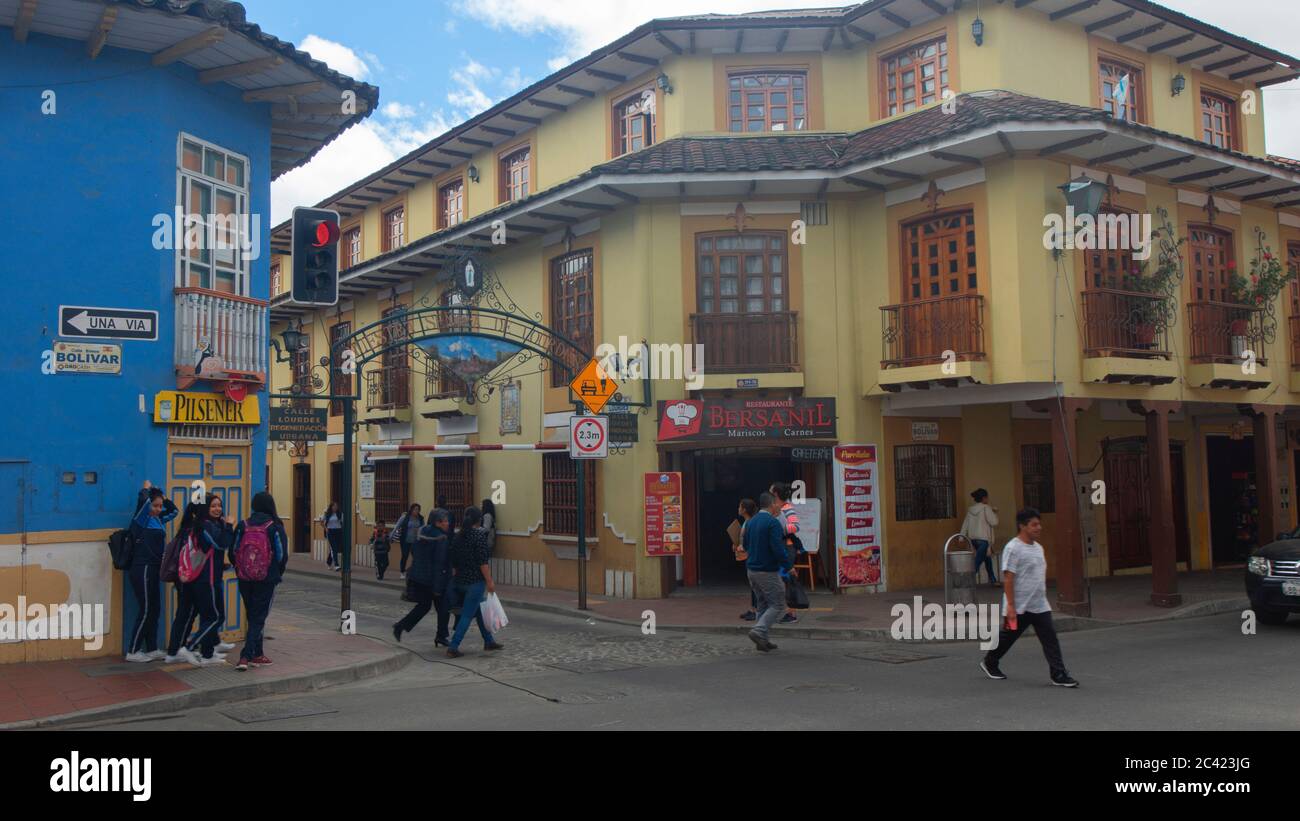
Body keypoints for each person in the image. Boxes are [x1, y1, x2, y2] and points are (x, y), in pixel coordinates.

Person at [981, 508, 1079, 688]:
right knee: (1008, 637)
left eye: (1039, 524)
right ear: (1022, 526)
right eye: (1034, 525)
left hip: (1039, 605)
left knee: (1050, 638)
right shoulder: (1013, 548)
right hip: (1017, 606)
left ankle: (1058, 673)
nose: (1038, 528)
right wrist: (1010, 606)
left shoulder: (1038, 548)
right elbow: (1008, 578)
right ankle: (990, 661)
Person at [231, 492, 288, 672]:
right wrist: (276, 573)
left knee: (252, 615)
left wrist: (240, 568)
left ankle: (257, 653)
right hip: (266, 578)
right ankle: (246, 656)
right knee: (258, 617)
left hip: (245, 578)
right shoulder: (275, 526)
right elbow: (281, 555)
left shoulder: (243, 525)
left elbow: (233, 551)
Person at [174, 494, 233, 666]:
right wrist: (229, 525)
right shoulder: (205, 527)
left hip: (213, 577)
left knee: (215, 616)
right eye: (213, 506)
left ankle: (207, 654)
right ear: (206, 509)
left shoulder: (212, 524)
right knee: (214, 618)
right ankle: (189, 646)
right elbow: (222, 543)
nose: (217, 509)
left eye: (219, 505)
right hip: (206, 580)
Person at [125, 483, 178, 662]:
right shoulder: (141, 520)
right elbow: (143, 500)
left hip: (154, 569)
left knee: (155, 609)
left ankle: (152, 648)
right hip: (142, 568)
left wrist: (161, 496)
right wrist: (147, 490)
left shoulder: (157, 519)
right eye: (155, 505)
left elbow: (174, 511)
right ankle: (133, 651)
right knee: (146, 609)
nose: (158, 509)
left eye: (159, 506)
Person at [445, 506, 505, 658]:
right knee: (467, 615)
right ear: (479, 520)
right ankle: (454, 646)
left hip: (460, 580)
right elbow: (482, 562)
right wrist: (490, 581)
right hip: (475, 582)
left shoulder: (458, 536)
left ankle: (489, 640)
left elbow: (452, 559)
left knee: (479, 610)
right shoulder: (478, 537)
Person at [392, 509, 454, 647]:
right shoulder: (441, 538)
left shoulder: (422, 532)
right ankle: (441, 635)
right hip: (433, 579)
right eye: (445, 521)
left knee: (424, 606)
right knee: (443, 607)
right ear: (437, 522)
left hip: (419, 576)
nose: (448, 523)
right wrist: (438, 587)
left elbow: (414, 552)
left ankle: (401, 626)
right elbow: (439, 563)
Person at [743, 493, 793, 652]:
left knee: (763, 603)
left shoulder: (750, 522)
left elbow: (745, 544)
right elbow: (778, 549)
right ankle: (759, 631)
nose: (779, 506)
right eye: (777, 503)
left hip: (752, 570)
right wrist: (788, 566)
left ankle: (762, 640)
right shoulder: (773, 523)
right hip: (767, 571)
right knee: (778, 603)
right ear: (772, 504)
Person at [770, 482, 802, 624]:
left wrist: (779, 528)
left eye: (771, 491)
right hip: (781, 547)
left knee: (787, 579)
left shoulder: (787, 508)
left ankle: (791, 613)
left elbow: (795, 527)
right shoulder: (776, 508)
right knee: (782, 579)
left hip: (787, 548)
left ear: (776, 494)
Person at [961, 488, 1000, 586]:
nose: (988, 499)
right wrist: (995, 512)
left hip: (973, 540)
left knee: (987, 559)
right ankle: (966, 581)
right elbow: (994, 522)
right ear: (984, 498)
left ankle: (993, 580)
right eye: (987, 497)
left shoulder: (970, 510)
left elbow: (965, 524)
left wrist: (961, 537)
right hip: (983, 540)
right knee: (977, 562)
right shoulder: (986, 508)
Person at [734, 498, 760, 621]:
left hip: (751, 556)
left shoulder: (751, 522)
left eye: (740, 506)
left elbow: (750, 542)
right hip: (748, 555)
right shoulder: (747, 521)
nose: (738, 509)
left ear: (744, 509)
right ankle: (753, 609)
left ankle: (756, 610)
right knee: (752, 585)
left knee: (755, 585)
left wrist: (741, 546)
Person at [392, 503, 424, 580]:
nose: (417, 511)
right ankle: (402, 572)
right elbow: (397, 526)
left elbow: (423, 528)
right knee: (405, 556)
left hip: (416, 541)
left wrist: (419, 530)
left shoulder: (420, 518)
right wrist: (391, 536)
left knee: (416, 557)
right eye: (415, 509)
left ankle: (415, 572)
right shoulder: (405, 517)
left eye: (418, 509)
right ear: (411, 510)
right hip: (405, 540)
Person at [321, 502, 343, 571]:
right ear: (331, 507)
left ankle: (329, 561)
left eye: (336, 506)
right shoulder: (327, 514)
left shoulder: (340, 514)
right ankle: (336, 565)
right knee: (334, 548)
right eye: (334, 506)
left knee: (334, 548)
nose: (335, 508)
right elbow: (321, 521)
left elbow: (343, 522)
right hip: (330, 532)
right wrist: (326, 528)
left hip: (338, 531)